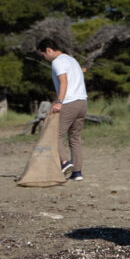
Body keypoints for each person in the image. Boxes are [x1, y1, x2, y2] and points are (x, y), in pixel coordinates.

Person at [38, 40, 89, 181]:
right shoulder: (72, 60)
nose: (44, 58)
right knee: (75, 138)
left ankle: (65, 162)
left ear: (48, 50)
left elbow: (63, 81)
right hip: (82, 102)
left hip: (69, 102)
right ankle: (77, 172)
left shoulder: (58, 62)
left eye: (42, 55)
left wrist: (59, 101)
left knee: (55, 135)